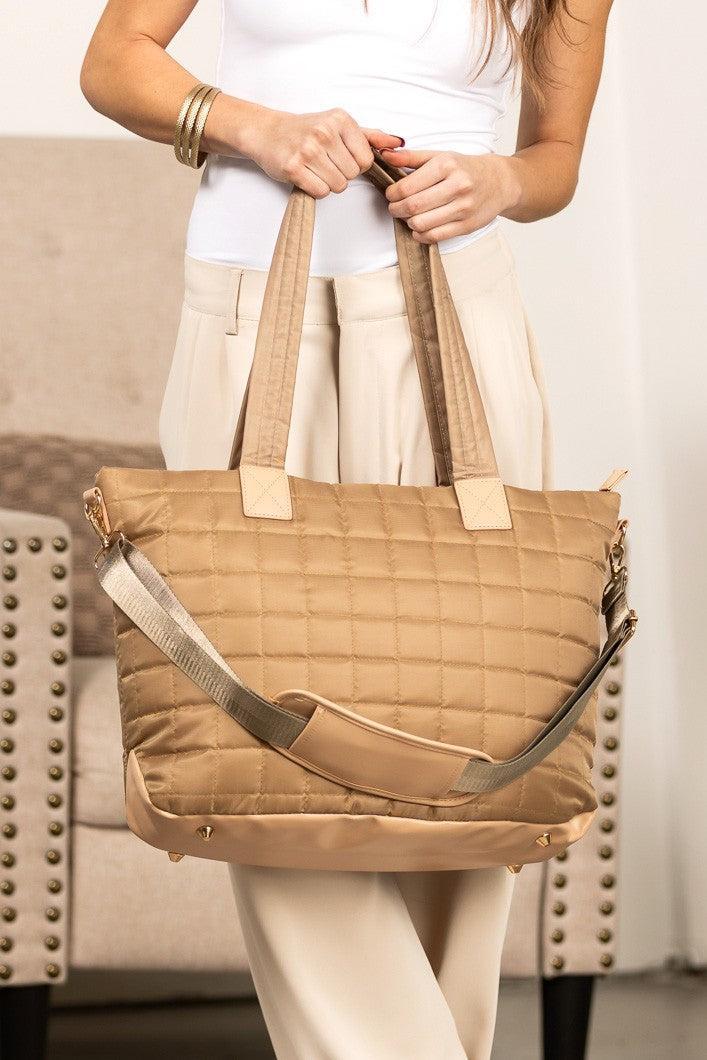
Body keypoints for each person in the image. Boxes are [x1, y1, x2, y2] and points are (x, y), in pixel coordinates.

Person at [80, 2, 614, 1056]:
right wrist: (251, 125)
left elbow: (553, 157)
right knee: (255, 709)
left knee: (471, 712)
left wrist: (497, 180)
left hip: (457, 311)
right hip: (244, 317)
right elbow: (111, 62)